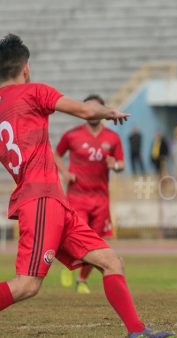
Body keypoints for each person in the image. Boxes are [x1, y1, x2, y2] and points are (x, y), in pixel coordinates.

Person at [0, 34, 173, 337]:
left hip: (54, 201)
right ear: (25, 68)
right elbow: (86, 111)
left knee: (111, 261)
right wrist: (110, 112)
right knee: (27, 284)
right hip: (40, 199)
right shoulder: (33, 91)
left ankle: (136, 330)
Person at [54, 94, 124, 294]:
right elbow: (56, 154)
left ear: (102, 111)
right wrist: (65, 173)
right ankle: (69, 265)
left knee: (98, 241)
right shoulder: (72, 135)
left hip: (101, 198)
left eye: (96, 108)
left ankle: (82, 280)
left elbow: (121, 164)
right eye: (88, 107)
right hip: (77, 196)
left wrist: (115, 165)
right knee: (79, 238)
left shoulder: (113, 138)